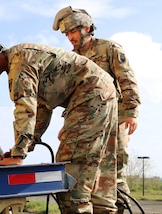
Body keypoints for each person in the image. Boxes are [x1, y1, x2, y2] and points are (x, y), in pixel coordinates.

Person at [0, 31, 118, 213]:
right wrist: (21, 148)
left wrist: (18, 155)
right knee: (96, 169)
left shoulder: (19, 64)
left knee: (71, 172)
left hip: (90, 96)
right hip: (102, 93)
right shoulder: (23, 56)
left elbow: (25, 110)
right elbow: (41, 108)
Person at [53, 6, 141, 213]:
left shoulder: (108, 48)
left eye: (73, 31)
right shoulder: (71, 59)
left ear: (87, 28)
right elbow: (73, 96)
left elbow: (127, 79)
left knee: (114, 175)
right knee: (90, 174)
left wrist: (131, 112)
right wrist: (68, 126)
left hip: (114, 121)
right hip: (86, 125)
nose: (70, 37)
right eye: (67, 34)